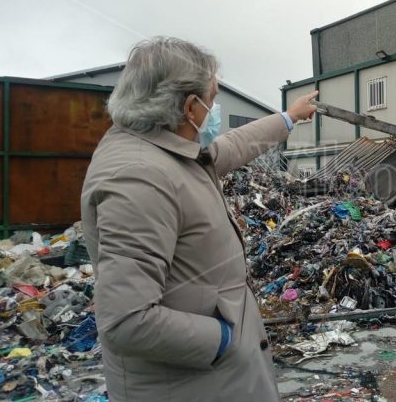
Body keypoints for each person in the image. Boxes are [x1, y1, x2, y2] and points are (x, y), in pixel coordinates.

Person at [81, 36, 317, 401]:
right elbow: (126, 321)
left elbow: (230, 148)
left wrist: (288, 118)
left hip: (211, 380)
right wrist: (226, 339)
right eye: (214, 97)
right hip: (193, 384)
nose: (215, 108)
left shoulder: (162, 150)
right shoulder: (140, 177)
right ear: (190, 107)